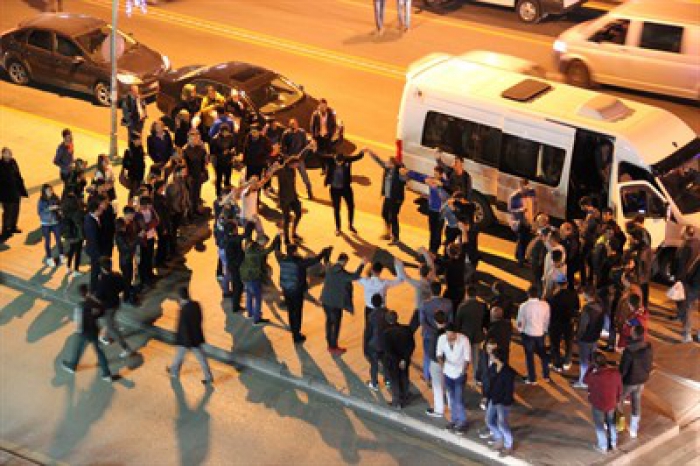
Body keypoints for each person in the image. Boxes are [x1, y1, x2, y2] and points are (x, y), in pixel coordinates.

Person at [275, 238, 331, 343]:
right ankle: (297, 335)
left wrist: (278, 239)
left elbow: (276, 251)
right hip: (296, 290)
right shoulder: (299, 262)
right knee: (297, 311)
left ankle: (293, 329)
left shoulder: (282, 259)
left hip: (286, 289)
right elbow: (315, 260)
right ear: (295, 251)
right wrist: (324, 252)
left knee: (291, 311)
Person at [61, 284, 116, 382]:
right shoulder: (96, 304)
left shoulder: (80, 305)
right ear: (89, 292)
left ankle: (72, 366)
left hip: (84, 331)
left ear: (81, 294)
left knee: (77, 349)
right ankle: (107, 374)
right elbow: (102, 312)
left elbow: (78, 321)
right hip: (94, 331)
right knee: (99, 352)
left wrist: (70, 319)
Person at [320, 253, 367, 355]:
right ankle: (333, 346)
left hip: (325, 301)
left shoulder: (330, 268)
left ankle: (329, 341)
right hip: (335, 304)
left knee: (329, 321)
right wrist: (362, 264)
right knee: (336, 325)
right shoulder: (341, 274)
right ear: (345, 261)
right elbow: (355, 276)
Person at [167, 287, 214, 385]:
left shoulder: (183, 310)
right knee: (201, 358)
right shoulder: (196, 304)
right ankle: (208, 377)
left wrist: (180, 340)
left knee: (179, 356)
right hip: (196, 337)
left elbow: (182, 328)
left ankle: (174, 371)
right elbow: (200, 318)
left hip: (186, 340)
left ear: (180, 298)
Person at [320, 149, 367, 236]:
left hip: (346, 188)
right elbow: (320, 155)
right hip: (334, 189)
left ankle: (350, 225)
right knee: (337, 208)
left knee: (351, 206)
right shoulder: (330, 159)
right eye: (338, 162)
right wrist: (313, 148)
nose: (339, 164)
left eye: (341, 162)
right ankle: (338, 228)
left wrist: (362, 152)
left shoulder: (347, 159)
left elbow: (357, 157)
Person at [94, 257, 134, 358]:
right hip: (116, 302)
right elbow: (122, 287)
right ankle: (106, 336)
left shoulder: (102, 281)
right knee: (110, 320)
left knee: (111, 327)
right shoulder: (116, 275)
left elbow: (99, 295)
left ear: (102, 268)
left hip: (108, 306)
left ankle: (126, 348)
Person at [618, 325, 653, 439]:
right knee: (636, 403)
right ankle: (634, 429)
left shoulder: (629, 351)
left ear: (634, 334)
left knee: (619, 400)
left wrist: (618, 378)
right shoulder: (648, 347)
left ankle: (620, 424)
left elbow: (623, 369)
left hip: (629, 381)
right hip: (642, 380)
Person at [584, 352, 622, 454]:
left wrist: (590, 368)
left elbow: (584, 380)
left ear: (595, 364)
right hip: (612, 402)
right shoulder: (615, 373)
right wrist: (617, 399)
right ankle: (614, 444)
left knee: (599, 425)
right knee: (612, 423)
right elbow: (619, 388)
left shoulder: (595, 376)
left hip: (598, 404)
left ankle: (603, 446)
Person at [482, 347, 516, 456]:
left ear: (497, 358)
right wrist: (487, 396)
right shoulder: (493, 367)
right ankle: (499, 438)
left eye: (492, 355)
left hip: (503, 402)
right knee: (489, 420)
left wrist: (505, 402)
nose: (490, 357)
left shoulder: (508, 372)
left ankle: (508, 445)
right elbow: (489, 383)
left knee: (502, 424)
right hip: (494, 398)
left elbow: (509, 389)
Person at [240, 233, 280, 325]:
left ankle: (250, 312)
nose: (265, 245)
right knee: (258, 298)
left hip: (244, 274)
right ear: (261, 242)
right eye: (265, 243)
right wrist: (276, 238)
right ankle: (256, 319)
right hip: (253, 277)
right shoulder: (257, 251)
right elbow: (269, 250)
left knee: (249, 295)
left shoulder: (250, 246)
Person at [437, 324, 470, 434]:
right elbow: (439, 355)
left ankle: (463, 422)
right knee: (451, 397)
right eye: (448, 335)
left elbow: (467, 358)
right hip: (448, 373)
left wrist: (463, 371)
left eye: (451, 335)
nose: (449, 337)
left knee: (458, 399)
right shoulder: (442, 339)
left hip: (459, 373)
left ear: (456, 333)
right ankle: (453, 420)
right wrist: (443, 367)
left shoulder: (464, 340)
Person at [407, 165, 449, 253]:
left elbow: (448, 190)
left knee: (438, 232)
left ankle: (435, 250)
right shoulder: (431, 180)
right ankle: (431, 249)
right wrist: (407, 172)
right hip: (431, 210)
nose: (435, 175)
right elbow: (419, 176)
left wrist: (441, 184)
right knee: (432, 230)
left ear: (441, 174)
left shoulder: (445, 184)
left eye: (437, 174)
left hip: (440, 212)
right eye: (434, 173)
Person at [370, 152, 408, 244]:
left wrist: (404, 174)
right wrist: (371, 153)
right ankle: (387, 232)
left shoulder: (399, 172)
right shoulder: (388, 169)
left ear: (393, 164)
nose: (386, 163)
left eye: (388, 162)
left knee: (393, 217)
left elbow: (405, 179)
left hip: (396, 199)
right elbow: (379, 161)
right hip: (388, 197)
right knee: (384, 214)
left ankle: (396, 237)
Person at [419, 281, 453, 384]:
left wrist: (433, 330)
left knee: (427, 356)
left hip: (429, 334)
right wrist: (442, 329)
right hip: (444, 334)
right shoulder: (448, 303)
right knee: (444, 355)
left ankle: (427, 377)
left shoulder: (425, 304)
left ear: (431, 291)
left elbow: (422, 322)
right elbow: (451, 320)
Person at [516, 285, 551, 385]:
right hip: (540, 333)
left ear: (528, 294)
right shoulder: (545, 305)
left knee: (529, 356)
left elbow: (520, 321)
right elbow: (546, 320)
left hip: (528, 333)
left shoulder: (523, 306)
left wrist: (520, 330)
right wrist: (544, 330)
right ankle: (546, 375)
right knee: (543, 354)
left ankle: (532, 378)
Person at [573, 286, 605, 389]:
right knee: (592, 360)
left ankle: (583, 381)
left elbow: (583, 326)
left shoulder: (587, 309)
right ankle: (592, 378)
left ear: (587, 295)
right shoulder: (600, 306)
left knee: (583, 361)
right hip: (595, 337)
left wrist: (578, 336)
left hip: (585, 338)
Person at [547, 273, 580, 372]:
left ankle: (557, 363)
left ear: (557, 284)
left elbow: (550, 311)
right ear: (566, 283)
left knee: (555, 344)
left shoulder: (553, 297)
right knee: (568, 343)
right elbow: (577, 308)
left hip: (556, 324)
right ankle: (567, 362)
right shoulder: (574, 295)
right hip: (568, 323)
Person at [455, 285, 487, 385]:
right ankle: (476, 378)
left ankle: (462, 375)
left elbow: (457, 323)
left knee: (464, 357)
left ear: (467, 294)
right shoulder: (482, 306)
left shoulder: (462, 307)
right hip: (477, 335)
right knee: (476, 357)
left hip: (465, 336)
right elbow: (485, 321)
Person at [383, 310, 415, 408]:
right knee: (404, 377)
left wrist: (397, 360)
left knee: (395, 381)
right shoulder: (406, 329)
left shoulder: (386, 333)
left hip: (393, 362)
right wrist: (404, 359)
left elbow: (388, 351)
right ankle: (405, 396)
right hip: (404, 361)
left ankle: (397, 402)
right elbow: (412, 345)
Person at [674, 226, 700, 342]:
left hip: (693, 283)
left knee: (687, 307)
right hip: (695, 282)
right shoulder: (698, 243)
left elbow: (682, 266)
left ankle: (687, 334)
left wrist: (680, 280)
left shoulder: (685, 247)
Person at [280, 118, 314, 199]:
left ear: (297, 125)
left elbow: (305, 146)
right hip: (290, 159)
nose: (293, 127)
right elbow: (283, 147)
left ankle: (309, 191)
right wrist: (287, 158)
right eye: (292, 125)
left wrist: (301, 157)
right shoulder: (286, 134)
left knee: (304, 176)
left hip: (299, 159)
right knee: (291, 177)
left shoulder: (302, 132)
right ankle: (293, 192)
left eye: (294, 125)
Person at [275, 155, 305, 243]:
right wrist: (273, 167)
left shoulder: (293, 170)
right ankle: (286, 238)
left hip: (293, 196)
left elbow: (293, 184)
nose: (297, 166)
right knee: (286, 219)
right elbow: (270, 173)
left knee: (298, 214)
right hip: (284, 198)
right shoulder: (281, 170)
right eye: (297, 164)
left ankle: (293, 233)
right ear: (292, 163)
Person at [0, 147, 28, 241]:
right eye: (7, 153)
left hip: (15, 191)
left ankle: (13, 226)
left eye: (10, 153)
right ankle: (5, 230)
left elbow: (18, 174)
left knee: (15, 210)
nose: (9, 155)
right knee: (7, 212)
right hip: (6, 194)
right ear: (3, 154)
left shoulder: (13, 162)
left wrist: (21, 188)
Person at [425, 310, 448, 418]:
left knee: (437, 386)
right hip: (449, 363)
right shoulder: (451, 332)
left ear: (435, 321)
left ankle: (439, 410)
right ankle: (451, 405)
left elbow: (431, 352)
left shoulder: (435, 335)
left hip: (437, 363)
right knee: (448, 385)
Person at [508, 179, 536, 267]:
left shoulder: (531, 192)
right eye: (523, 187)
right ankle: (521, 260)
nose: (524, 189)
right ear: (519, 186)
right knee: (522, 240)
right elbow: (510, 210)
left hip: (528, 220)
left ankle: (518, 255)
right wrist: (520, 210)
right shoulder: (514, 197)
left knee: (524, 240)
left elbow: (534, 204)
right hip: (519, 222)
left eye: (526, 187)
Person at [365, 294, 390, 391]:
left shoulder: (371, 316)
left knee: (374, 364)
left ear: (372, 303)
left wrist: (366, 345)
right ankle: (388, 381)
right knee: (386, 363)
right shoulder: (387, 312)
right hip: (385, 343)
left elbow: (368, 332)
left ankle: (374, 383)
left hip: (374, 344)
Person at [182, 129, 208, 218]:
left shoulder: (201, 148)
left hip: (198, 175)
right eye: (194, 138)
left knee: (197, 194)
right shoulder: (185, 150)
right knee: (190, 196)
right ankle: (190, 213)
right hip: (190, 177)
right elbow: (184, 165)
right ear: (189, 138)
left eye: (197, 137)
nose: (196, 139)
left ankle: (195, 209)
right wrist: (187, 177)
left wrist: (203, 172)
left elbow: (204, 162)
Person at [38, 184, 64, 267]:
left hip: (55, 222)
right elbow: (39, 212)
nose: (50, 192)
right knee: (47, 241)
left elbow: (60, 206)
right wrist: (49, 209)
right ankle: (49, 258)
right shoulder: (41, 201)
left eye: (51, 190)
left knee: (58, 240)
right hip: (46, 224)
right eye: (48, 190)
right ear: (44, 192)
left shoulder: (55, 197)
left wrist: (59, 210)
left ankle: (61, 255)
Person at [115, 212, 138, 305]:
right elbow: (127, 248)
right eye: (124, 225)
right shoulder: (120, 236)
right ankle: (126, 297)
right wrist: (136, 241)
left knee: (128, 278)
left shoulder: (122, 234)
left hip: (126, 259)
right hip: (125, 260)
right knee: (127, 279)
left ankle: (127, 293)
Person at [61, 192, 85, 278]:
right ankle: (76, 270)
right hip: (78, 236)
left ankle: (68, 267)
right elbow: (81, 224)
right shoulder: (78, 212)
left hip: (70, 236)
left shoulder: (64, 210)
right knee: (78, 252)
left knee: (71, 250)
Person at [210, 123, 237, 197]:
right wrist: (222, 153)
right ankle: (218, 194)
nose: (227, 134)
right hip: (219, 162)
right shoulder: (215, 139)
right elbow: (212, 152)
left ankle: (227, 193)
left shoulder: (230, 137)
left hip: (228, 160)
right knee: (219, 178)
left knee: (228, 177)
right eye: (225, 132)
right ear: (221, 131)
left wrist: (233, 150)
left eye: (228, 132)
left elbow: (233, 145)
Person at [84, 198, 104, 291]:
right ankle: (93, 289)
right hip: (94, 251)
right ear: (95, 210)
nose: (102, 209)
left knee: (97, 270)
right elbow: (93, 240)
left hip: (95, 249)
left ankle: (96, 287)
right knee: (95, 271)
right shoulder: (90, 222)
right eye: (100, 208)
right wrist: (98, 254)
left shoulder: (94, 217)